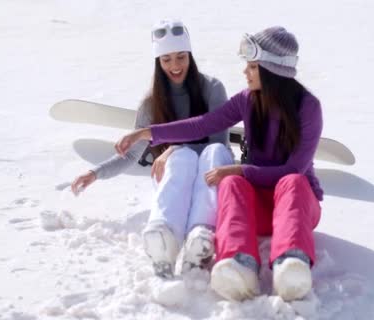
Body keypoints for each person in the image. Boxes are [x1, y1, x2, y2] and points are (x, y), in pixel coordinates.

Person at [115, 26, 323, 302]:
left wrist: (239, 168)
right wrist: (147, 133)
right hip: (262, 208)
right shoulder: (248, 100)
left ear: (273, 72)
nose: (245, 72)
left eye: (252, 66)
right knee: (233, 183)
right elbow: (203, 124)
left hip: (298, 205)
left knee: (289, 181)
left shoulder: (308, 107)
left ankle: (291, 263)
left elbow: (292, 170)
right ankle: (239, 263)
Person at [70, 19, 234, 279]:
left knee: (205, 154)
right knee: (180, 159)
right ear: (158, 62)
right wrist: (95, 173)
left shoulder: (212, 88)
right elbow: (133, 154)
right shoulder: (151, 104)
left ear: (190, 55)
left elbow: (218, 144)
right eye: (166, 59)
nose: (175, 66)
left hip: (210, 173)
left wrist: (174, 146)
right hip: (176, 177)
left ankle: (201, 238)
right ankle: (162, 237)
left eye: (181, 56)